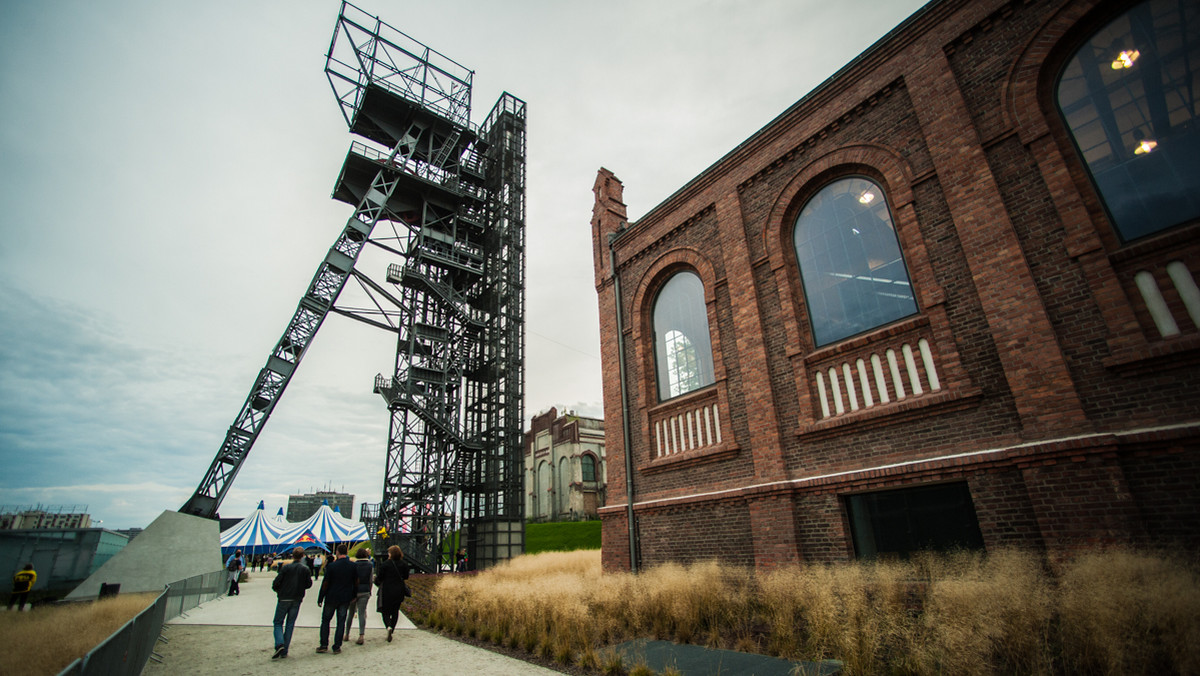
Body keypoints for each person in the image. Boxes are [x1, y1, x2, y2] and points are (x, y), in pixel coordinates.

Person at [270, 547, 313, 659]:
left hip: (284, 597)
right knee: (290, 623)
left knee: (278, 622)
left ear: (292, 556)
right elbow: (308, 584)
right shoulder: (305, 569)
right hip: (296, 598)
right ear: (303, 556)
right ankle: (285, 650)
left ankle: (279, 643)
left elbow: (276, 582)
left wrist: (279, 591)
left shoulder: (286, 568)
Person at [316, 543, 356, 654]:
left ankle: (324, 644)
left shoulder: (331, 566)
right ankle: (337, 646)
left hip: (331, 596)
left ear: (337, 552)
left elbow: (326, 583)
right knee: (341, 621)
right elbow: (356, 582)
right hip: (345, 597)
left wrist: (321, 597)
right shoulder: (352, 566)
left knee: (326, 620)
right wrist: (354, 595)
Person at [374, 545, 410, 642]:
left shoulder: (385, 564)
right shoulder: (404, 564)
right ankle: (392, 628)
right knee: (395, 611)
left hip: (387, 590)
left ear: (391, 554)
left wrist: (376, 581)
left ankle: (388, 626)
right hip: (399, 590)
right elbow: (406, 576)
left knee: (385, 611)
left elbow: (380, 577)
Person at [345, 548, 374, 645]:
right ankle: (361, 635)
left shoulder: (353, 565)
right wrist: (369, 590)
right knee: (362, 614)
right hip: (364, 591)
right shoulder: (370, 565)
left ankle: (346, 634)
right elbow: (371, 580)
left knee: (350, 613)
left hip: (354, 591)